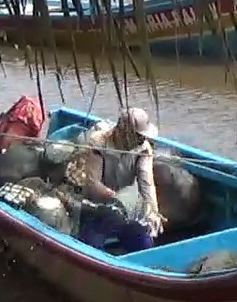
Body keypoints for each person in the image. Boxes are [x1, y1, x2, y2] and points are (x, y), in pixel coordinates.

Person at [61, 106, 166, 251]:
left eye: (143, 136)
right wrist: (115, 198)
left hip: (124, 211)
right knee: (91, 243)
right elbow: (93, 183)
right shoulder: (99, 142)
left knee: (143, 240)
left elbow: (146, 183)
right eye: (138, 136)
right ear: (125, 134)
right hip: (96, 207)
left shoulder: (144, 149)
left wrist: (153, 212)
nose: (142, 140)